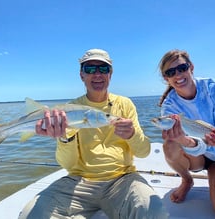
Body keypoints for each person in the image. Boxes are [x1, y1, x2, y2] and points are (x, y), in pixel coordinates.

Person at [19, 48, 168, 219]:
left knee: (153, 210)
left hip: (122, 180)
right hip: (78, 182)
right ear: (82, 75)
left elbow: (144, 152)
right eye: (90, 69)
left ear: (110, 74)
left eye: (103, 69)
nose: (97, 74)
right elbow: (68, 164)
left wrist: (132, 135)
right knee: (30, 215)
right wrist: (64, 138)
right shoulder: (68, 111)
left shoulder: (125, 105)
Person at [158, 49, 215, 217]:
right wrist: (185, 141)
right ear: (166, 78)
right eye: (171, 72)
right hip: (196, 156)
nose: (177, 74)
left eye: (182, 68)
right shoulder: (169, 106)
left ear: (191, 67)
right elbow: (187, 142)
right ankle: (187, 179)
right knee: (170, 144)